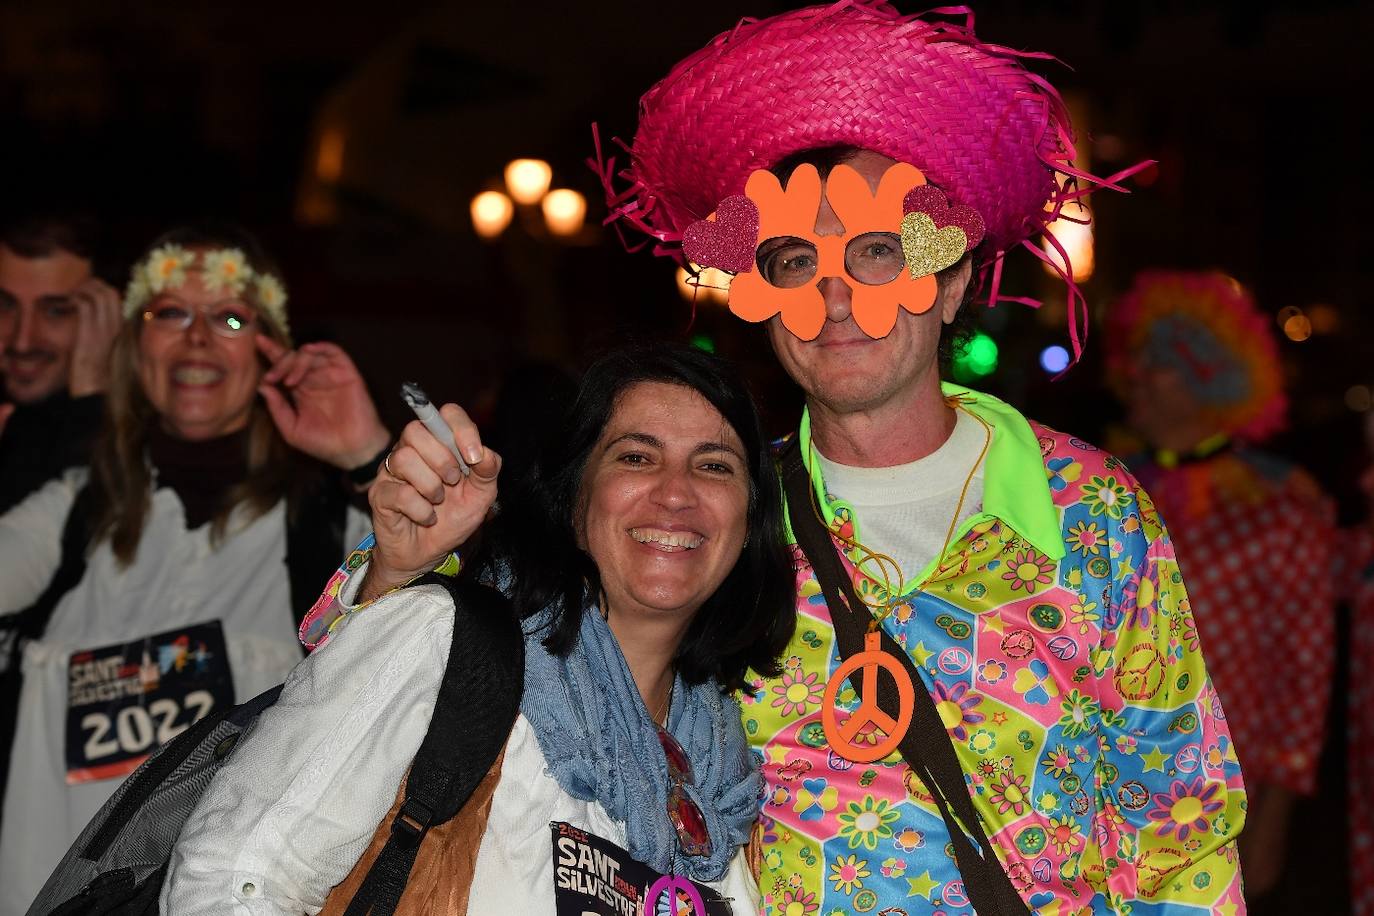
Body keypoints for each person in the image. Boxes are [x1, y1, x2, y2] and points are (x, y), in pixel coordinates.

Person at [590, 4, 1246, 913]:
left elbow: (1182, 840)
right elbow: (536, 644)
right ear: (758, 295)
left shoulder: (1090, 514)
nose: (835, 294)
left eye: (876, 254)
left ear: (952, 284)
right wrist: (386, 521)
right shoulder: (719, 519)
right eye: (792, 261)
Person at [161, 344, 795, 913]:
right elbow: (232, 880)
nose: (675, 494)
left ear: (748, 523)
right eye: (636, 456)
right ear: (575, 500)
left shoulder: (721, 768)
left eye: (714, 466)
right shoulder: (447, 642)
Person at [0, 225, 390, 915]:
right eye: (170, 313)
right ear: (134, 345)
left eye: (231, 318)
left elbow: (482, 621)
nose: (199, 338)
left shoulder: (325, 536)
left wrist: (367, 459)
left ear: (273, 350)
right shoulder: (70, 513)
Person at [1104, 269, 1336, 899]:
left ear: (1212, 376)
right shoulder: (1102, 489)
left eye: (1161, 364)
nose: (1138, 377)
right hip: (1108, 783)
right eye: (1138, 361)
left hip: (1224, 793)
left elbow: (1303, 677)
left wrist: (1272, 825)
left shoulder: (1282, 506)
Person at [0, 214, 123, 512]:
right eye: (5, 305)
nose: (22, 341)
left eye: (56, 311)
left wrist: (91, 405)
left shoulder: (154, 432)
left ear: (108, 315)